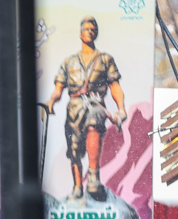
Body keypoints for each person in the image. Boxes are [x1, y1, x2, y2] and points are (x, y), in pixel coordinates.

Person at [44, 16, 127, 201]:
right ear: (80, 34)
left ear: (96, 33)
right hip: (74, 108)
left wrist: (121, 109)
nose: (90, 31)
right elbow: (58, 89)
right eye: (87, 29)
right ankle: (77, 187)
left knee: (94, 122)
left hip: (95, 103)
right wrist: (51, 101)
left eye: (93, 29)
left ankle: (93, 177)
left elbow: (115, 86)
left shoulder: (105, 60)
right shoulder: (69, 63)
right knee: (74, 150)